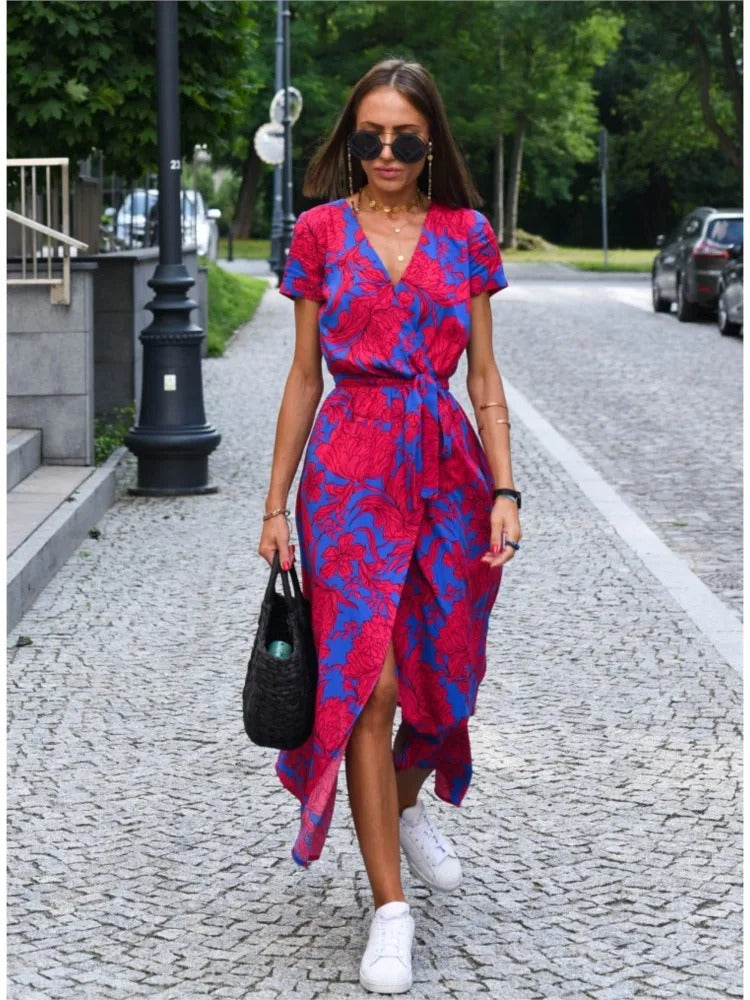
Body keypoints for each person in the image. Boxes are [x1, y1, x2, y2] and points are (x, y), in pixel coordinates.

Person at [258, 58, 522, 994]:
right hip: (348, 474)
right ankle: (390, 910)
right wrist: (275, 503)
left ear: (430, 140)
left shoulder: (467, 235)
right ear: (350, 140)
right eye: (369, 136)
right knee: (367, 683)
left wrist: (505, 487)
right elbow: (304, 377)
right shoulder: (320, 232)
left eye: (404, 137)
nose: (386, 152)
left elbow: (483, 375)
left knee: (438, 676)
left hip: (448, 471)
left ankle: (405, 806)